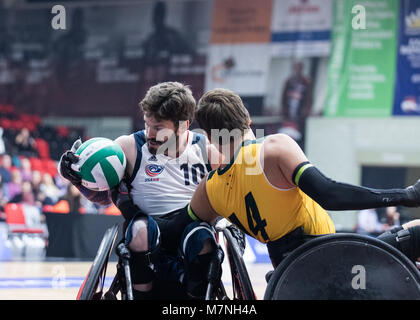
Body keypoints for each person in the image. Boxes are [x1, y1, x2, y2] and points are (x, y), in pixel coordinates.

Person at [188, 88, 420, 269]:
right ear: (248, 120)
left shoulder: (209, 188)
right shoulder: (273, 147)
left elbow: (180, 224)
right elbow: (329, 195)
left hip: (288, 274)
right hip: (333, 263)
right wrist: (406, 195)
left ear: (209, 135)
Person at [58, 82, 222, 300]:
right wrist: (74, 176)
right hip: (145, 227)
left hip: (191, 226)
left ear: (183, 126)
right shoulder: (128, 147)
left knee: (202, 238)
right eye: (147, 125)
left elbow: (225, 200)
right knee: (141, 231)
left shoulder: (208, 151)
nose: (150, 134)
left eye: (158, 128)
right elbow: (103, 196)